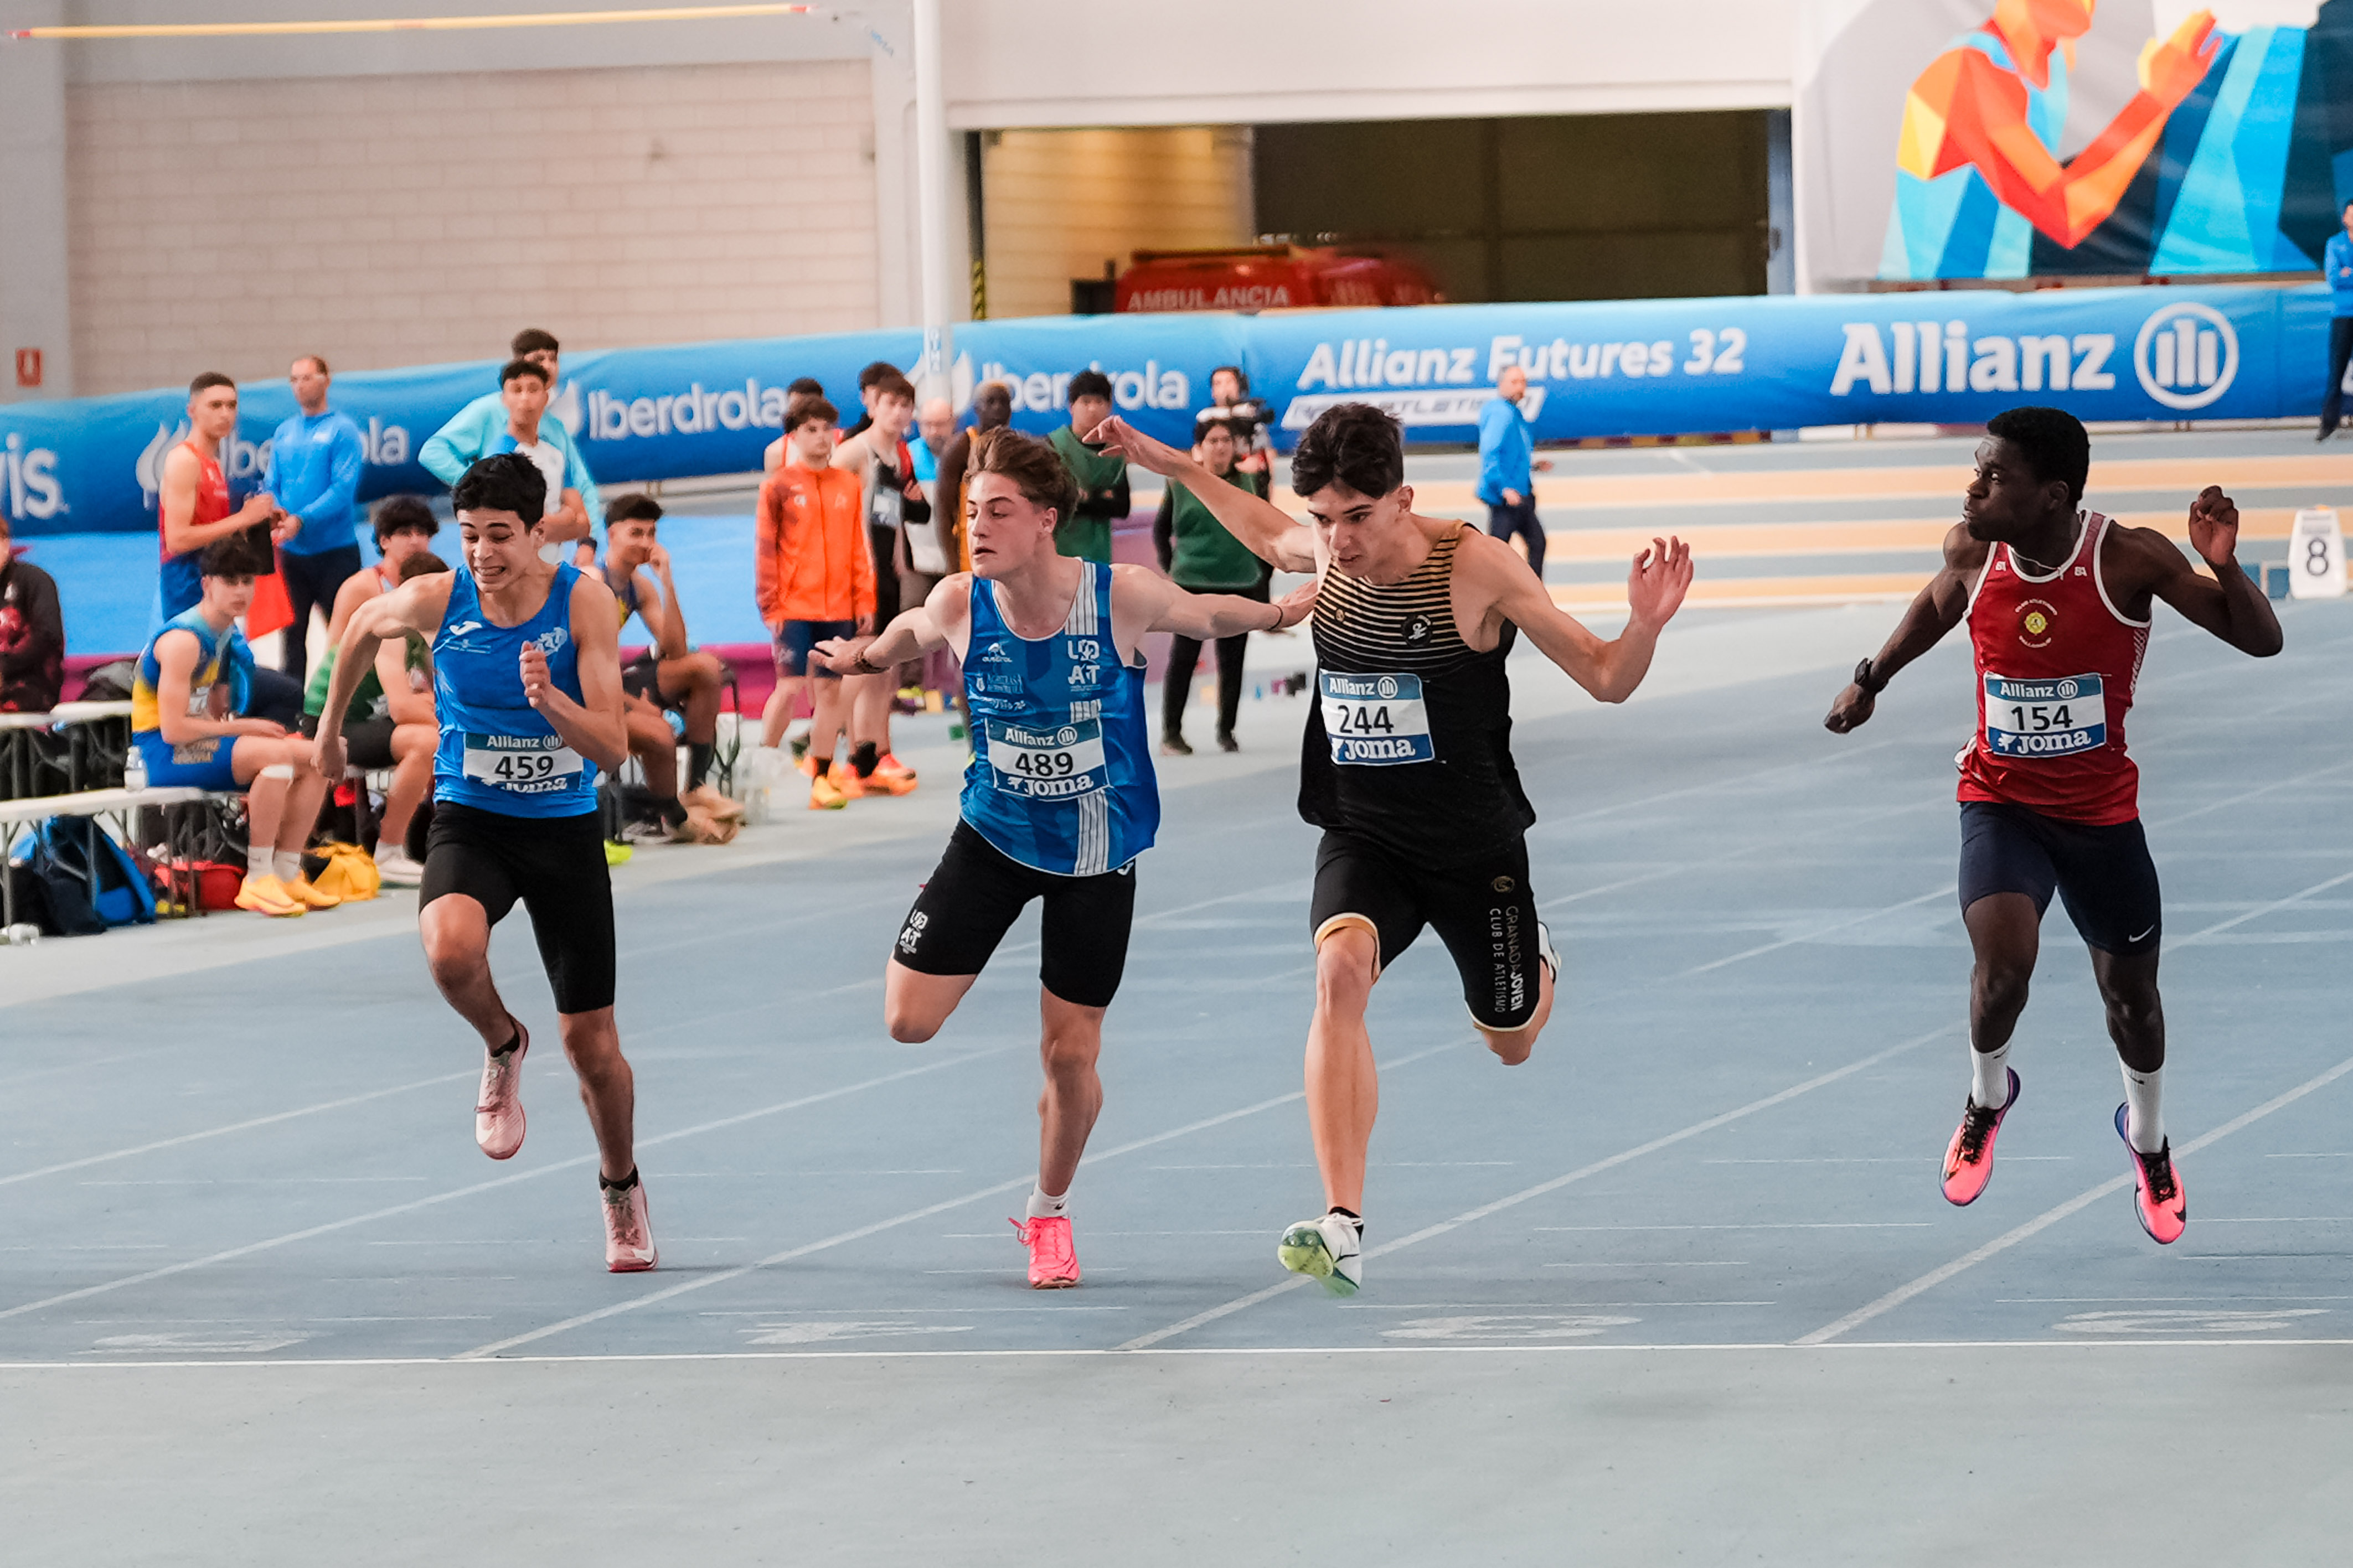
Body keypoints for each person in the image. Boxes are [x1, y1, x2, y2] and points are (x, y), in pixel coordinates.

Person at [1095, 402, 1691, 1297]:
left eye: (1357, 518)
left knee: (1511, 1038)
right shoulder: (1325, 547)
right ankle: (1343, 1223)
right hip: (1364, 828)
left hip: (1472, 845)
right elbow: (1265, 529)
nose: (1337, 541)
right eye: (1324, 519)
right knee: (1338, 974)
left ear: (1402, 500)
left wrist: (1643, 625)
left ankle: (1535, 957)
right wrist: (1173, 464)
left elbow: (1605, 677)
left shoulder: (1477, 567)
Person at [813, 429, 1317, 1288]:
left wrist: (1277, 613)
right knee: (906, 1019)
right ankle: (991, 966)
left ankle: (1048, 1212)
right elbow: (907, 634)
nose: (977, 528)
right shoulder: (961, 602)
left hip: (1096, 853)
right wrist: (858, 655)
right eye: (972, 512)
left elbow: (1204, 614)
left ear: (1046, 520)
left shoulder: (1118, 596)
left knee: (1069, 1058)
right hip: (994, 837)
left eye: (999, 512)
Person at [1824, 405, 2280, 1248]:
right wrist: (1870, 678)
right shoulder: (1972, 550)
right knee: (2003, 970)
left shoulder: (2129, 557)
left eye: (1992, 476)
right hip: (1998, 801)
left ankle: (2148, 1141)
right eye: (1976, 470)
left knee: (2132, 1004)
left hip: (2100, 815)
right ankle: (1985, 1099)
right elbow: (1937, 604)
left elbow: (2261, 641)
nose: (1972, 488)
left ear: (2051, 494)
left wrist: (2224, 566)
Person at [314, 452, 655, 1272]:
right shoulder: (440, 598)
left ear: (538, 534)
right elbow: (358, 627)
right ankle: (503, 1041)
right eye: (469, 534)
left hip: (562, 829)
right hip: (473, 817)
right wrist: (326, 732)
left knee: (593, 1047)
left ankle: (620, 1185)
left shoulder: (584, 601)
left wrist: (551, 700)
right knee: (449, 951)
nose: (482, 552)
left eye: (500, 535)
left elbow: (612, 748)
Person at [1882, 4, 2216, 278]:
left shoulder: (2051, 67)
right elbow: (2067, 213)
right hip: (1928, 315)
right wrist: (2155, 100)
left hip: (1996, 311)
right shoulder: (1966, 69)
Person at [133, 539, 337, 918]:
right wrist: (245, 728)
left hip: (196, 743)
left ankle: (287, 869)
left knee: (320, 756)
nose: (241, 591)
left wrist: (236, 725)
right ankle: (258, 876)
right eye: (230, 581)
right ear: (207, 584)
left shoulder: (223, 634)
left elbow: (210, 712)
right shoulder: (184, 641)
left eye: (247, 581)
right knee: (275, 755)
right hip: (159, 752)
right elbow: (173, 730)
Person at [753, 396, 877, 808]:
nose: (822, 438)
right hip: (793, 607)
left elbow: (859, 547)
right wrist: (770, 605)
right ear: (794, 436)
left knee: (830, 693)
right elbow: (765, 549)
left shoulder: (848, 485)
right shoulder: (778, 486)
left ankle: (821, 777)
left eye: (827, 429)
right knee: (789, 687)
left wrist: (864, 599)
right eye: (811, 430)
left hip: (838, 607)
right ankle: (758, 770)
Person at [600, 494, 740, 841]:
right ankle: (675, 818)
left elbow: (675, 651)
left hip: (616, 681)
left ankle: (696, 787)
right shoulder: (591, 583)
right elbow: (584, 668)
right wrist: (633, 706)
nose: (646, 543)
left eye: (651, 534)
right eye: (636, 533)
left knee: (705, 668)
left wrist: (667, 582)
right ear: (612, 535)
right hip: (588, 689)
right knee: (659, 733)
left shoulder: (638, 586)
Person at [301, 551, 442, 887]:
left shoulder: (426, 631)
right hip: (331, 726)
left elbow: (443, 694)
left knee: (444, 732)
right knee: (426, 742)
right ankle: (389, 851)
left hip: (371, 721)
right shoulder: (392, 629)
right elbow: (403, 709)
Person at [832, 372, 929, 794]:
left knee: (882, 664)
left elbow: (895, 513)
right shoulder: (855, 450)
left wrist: (900, 555)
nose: (899, 413)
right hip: (858, 572)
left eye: (906, 406)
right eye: (891, 404)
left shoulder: (899, 455)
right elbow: (827, 500)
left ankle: (872, 756)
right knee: (859, 662)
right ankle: (833, 756)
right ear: (873, 407)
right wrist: (851, 558)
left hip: (888, 570)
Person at [1154, 415, 1271, 754]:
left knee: (1233, 661)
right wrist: (1173, 567)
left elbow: (1266, 532)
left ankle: (1226, 731)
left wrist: (1263, 581)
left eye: (1226, 441)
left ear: (1235, 447)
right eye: (1213, 441)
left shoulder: (1251, 484)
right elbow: (1161, 531)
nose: (1220, 447)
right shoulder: (1180, 484)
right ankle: (1172, 733)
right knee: (1184, 659)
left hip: (1240, 581)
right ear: (1199, 448)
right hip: (1192, 583)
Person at [420, 329, 601, 532]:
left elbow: (581, 485)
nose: (548, 366)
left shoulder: (555, 426)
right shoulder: (488, 410)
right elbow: (432, 451)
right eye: (539, 359)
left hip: (544, 535)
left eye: (553, 359)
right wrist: (475, 483)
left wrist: (591, 539)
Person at [267, 355, 367, 682]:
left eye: (307, 378)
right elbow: (272, 483)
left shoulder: (342, 430)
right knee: (292, 638)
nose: (300, 386)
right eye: (294, 379)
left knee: (345, 636)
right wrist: (278, 513)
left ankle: (350, 698)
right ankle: (292, 701)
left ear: (326, 380)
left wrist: (302, 519)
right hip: (293, 555)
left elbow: (343, 489)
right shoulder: (285, 432)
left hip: (334, 553)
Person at [325, 496, 441, 648]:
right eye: (405, 534)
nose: (415, 541)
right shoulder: (360, 587)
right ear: (384, 541)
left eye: (421, 533)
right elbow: (334, 647)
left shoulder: (436, 582)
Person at [1477, 364, 1551, 576]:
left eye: (1523, 382)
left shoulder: (1513, 412)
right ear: (1502, 384)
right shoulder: (1500, 414)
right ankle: (1495, 591)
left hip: (1519, 494)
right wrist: (1503, 488)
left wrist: (1532, 466)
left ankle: (1530, 591)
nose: (1521, 387)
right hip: (1506, 499)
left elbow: (1512, 453)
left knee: (1536, 543)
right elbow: (1490, 453)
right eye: (1515, 382)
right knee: (1498, 552)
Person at [1048, 370, 1128, 565]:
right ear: (1071, 407)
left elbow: (1122, 507)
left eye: (1099, 402)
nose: (1092, 409)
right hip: (1060, 552)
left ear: (1109, 406)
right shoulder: (1053, 446)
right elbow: (1053, 501)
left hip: (1100, 555)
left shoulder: (1115, 452)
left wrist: (1084, 498)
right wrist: (1100, 498)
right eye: (1085, 402)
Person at [935, 381, 1013, 572]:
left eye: (1004, 402)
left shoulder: (1013, 447)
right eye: (991, 402)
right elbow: (943, 510)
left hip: (1004, 550)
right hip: (969, 553)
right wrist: (952, 565)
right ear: (977, 408)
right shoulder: (961, 446)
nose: (998, 408)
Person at [0, 515, 65, 713]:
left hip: (31, 685)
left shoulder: (35, 582)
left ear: (5, 543)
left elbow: (48, 635)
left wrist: (4, 667)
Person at [1196, 365, 1272, 479]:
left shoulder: (1252, 416)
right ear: (1213, 391)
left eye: (1229, 382)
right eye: (1218, 383)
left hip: (1247, 474)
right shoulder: (1205, 418)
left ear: (1239, 387)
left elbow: (1264, 453)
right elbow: (1197, 453)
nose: (1224, 388)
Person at [2323, 200, 2353, 440]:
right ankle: (2329, 423)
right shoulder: (2335, 243)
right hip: (2343, 315)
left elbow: (2344, 276)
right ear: (2344, 218)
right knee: (2336, 372)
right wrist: (2343, 276)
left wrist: (2348, 274)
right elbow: (2334, 278)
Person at [760, 377, 828, 474]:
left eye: (803, 408)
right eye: (793, 407)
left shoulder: (841, 444)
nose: (796, 413)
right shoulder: (777, 452)